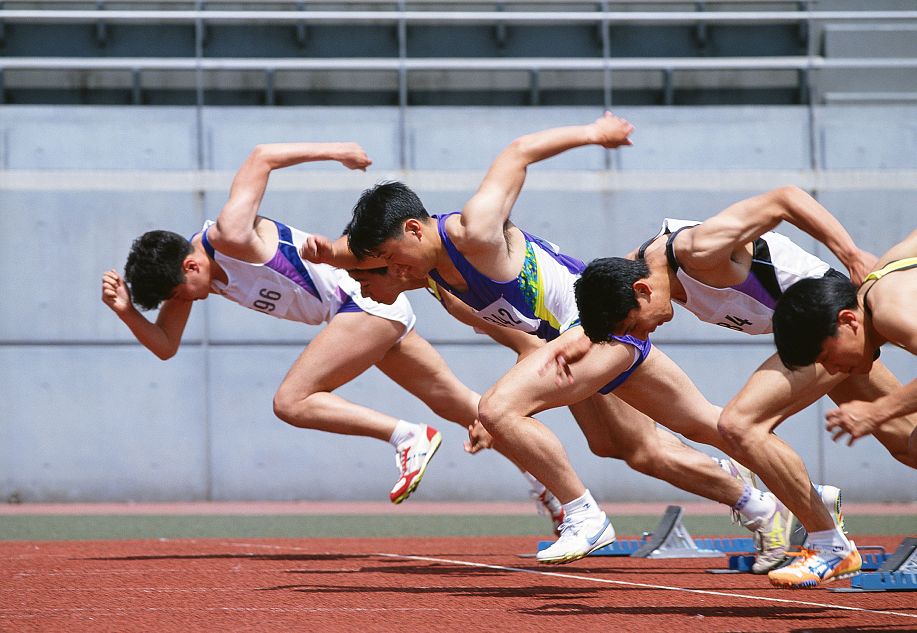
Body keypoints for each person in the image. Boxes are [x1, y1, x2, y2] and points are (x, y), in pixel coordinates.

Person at [336, 114, 801, 570]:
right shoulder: (445, 289)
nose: (393, 272)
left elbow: (518, 152)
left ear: (414, 230)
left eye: (389, 259)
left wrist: (595, 134)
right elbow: (526, 344)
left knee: (497, 409)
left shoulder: (473, 232)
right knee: (646, 444)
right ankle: (779, 505)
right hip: (577, 341)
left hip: (601, 326)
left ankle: (583, 515)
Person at [100, 141, 563, 526]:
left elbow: (261, 156)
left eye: (184, 292)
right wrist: (126, 311)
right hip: (363, 315)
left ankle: (406, 436)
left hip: (359, 301)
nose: (189, 301)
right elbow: (164, 346)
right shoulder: (189, 281)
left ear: (190, 264)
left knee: (292, 401)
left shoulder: (229, 234)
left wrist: (337, 151)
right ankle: (553, 492)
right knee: (466, 407)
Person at [571, 187, 916, 587]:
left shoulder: (698, 251)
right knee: (905, 441)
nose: (642, 334)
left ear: (643, 292)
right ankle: (815, 509)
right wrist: (570, 343)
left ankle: (828, 543)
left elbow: (784, 199)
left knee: (740, 425)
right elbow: (593, 314)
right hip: (812, 338)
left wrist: (852, 254)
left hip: (826, 324)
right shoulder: (635, 270)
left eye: (634, 326)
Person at [772, 228, 917, 460]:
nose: (831, 370)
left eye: (826, 357)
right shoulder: (879, 279)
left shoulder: (889, 312)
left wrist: (877, 411)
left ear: (847, 321)